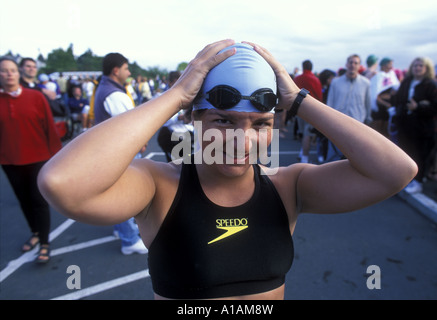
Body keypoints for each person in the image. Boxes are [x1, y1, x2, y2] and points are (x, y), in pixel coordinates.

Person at [38, 40, 417, 300]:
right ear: (193, 118)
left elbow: (396, 171)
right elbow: (62, 182)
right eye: (223, 120)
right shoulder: (159, 186)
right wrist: (176, 95)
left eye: (260, 125)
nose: (243, 140)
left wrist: (298, 100)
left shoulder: (288, 186)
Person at [0, 56, 62, 263]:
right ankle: (35, 232)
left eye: (12, 70)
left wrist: (57, 157)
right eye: (4, 70)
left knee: (38, 201)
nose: (9, 74)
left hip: (38, 157)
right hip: (9, 160)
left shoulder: (36, 97)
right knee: (23, 200)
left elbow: (50, 130)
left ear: (19, 74)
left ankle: (45, 242)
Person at [93, 52, 147, 255]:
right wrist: (141, 143)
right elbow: (130, 127)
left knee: (117, 193)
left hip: (110, 152)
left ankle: (121, 230)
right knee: (126, 195)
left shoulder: (105, 88)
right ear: (116, 70)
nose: (129, 72)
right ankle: (129, 239)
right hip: (121, 153)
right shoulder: (115, 94)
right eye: (126, 68)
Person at [392, 57, 437, 193]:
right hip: (405, 127)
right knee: (406, 154)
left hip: (423, 129)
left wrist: (419, 107)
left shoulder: (431, 85)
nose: (417, 68)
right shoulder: (407, 82)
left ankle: (418, 182)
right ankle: (406, 180)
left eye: (421, 65)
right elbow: (398, 100)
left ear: (427, 68)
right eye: (415, 65)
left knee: (420, 156)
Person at [325, 54, 372, 161]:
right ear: (346, 64)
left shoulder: (366, 83)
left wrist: (368, 119)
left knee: (356, 158)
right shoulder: (336, 82)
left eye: (356, 63)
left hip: (357, 125)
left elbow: (367, 103)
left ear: (359, 66)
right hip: (337, 124)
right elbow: (330, 102)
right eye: (350, 62)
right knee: (334, 157)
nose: (353, 65)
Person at [293, 60, 322, 163]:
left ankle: (302, 152)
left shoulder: (297, 78)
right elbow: (319, 96)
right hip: (311, 109)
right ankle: (304, 158)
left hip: (298, 108)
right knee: (307, 134)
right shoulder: (315, 80)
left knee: (302, 132)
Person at [369, 57, 400, 137]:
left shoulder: (392, 75)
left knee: (386, 133)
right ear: (383, 66)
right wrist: (385, 104)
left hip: (389, 110)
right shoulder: (378, 77)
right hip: (379, 110)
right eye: (389, 65)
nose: (391, 67)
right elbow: (375, 94)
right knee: (377, 133)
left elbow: (395, 88)